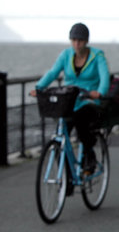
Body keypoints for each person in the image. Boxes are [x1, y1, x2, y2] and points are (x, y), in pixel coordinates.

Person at [31, 23, 110, 174]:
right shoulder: (66, 55)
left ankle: (90, 157)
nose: (76, 43)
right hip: (70, 101)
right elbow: (53, 72)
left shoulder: (97, 56)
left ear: (86, 41)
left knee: (81, 122)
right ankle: (67, 179)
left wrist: (99, 92)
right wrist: (38, 88)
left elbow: (104, 76)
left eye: (80, 40)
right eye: (73, 40)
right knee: (61, 134)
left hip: (89, 100)